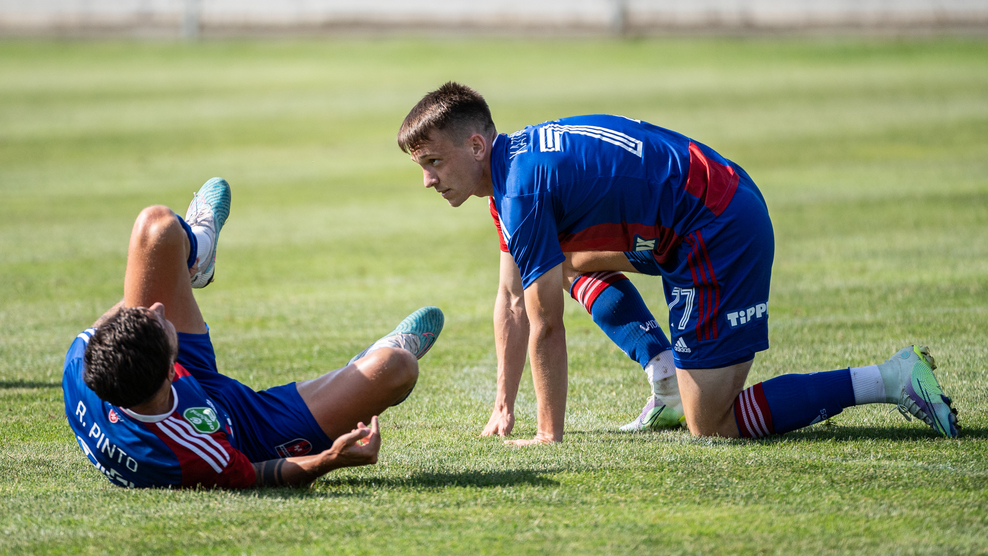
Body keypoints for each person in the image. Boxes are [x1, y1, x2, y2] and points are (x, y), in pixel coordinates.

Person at [397, 81, 959, 445]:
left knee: (712, 424)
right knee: (561, 262)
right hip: (687, 222)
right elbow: (513, 296)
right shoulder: (513, 172)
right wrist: (503, 406)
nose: (427, 180)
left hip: (716, 228)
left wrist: (548, 433)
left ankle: (890, 378)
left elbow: (544, 323)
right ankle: (666, 378)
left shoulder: (520, 190)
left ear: (476, 146)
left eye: (434, 162)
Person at [62, 177, 445, 488]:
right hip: (250, 432)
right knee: (396, 366)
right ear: (169, 370)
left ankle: (197, 257)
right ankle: (358, 371)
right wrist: (329, 460)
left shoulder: (82, 363)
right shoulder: (197, 455)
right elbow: (257, 476)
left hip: (179, 382)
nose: (159, 309)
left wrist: (170, 272)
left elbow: (124, 319)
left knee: (156, 226)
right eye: (160, 324)